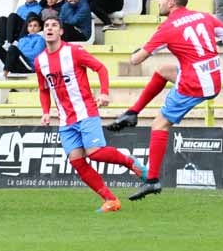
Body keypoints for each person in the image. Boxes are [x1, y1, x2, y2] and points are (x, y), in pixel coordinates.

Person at [107, 0, 223, 200]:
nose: (159, 2)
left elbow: (136, 60)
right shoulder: (203, 16)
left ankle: (152, 181)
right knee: (163, 71)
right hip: (213, 77)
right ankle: (132, 112)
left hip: (194, 83)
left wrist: (135, 52)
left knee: (159, 124)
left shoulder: (168, 27)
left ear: (171, 3)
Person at [35, 17, 148, 213]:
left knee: (95, 152)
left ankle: (130, 162)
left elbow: (100, 68)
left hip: (85, 111)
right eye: (46, 26)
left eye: (54, 25)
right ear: (43, 32)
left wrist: (104, 92)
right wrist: (46, 112)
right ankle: (110, 200)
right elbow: (44, 89)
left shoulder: (74, 51)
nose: (50, 28)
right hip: (65, 119)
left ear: (61, 31)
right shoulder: (40, 61)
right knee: (77, 161)